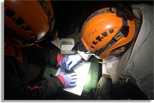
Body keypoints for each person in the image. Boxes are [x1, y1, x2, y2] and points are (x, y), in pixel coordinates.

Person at [62, 2, 153, 99]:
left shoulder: (146, 74)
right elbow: (105, 37)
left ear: (120, 49)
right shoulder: (124, 16)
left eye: (108, 54)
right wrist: (81, 55)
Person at [4, 0, 78, 99]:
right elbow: (24, 94)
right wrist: (58, 82)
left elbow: (30, 48)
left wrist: (58, 59)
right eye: (31, 40)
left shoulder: (14, 35)